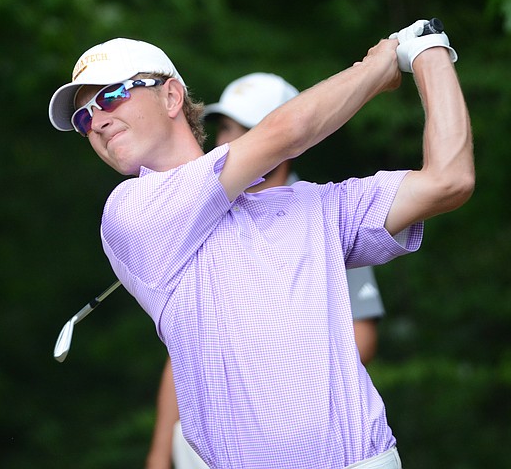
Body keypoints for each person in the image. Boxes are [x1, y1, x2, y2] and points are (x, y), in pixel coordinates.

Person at [48, 18, 472, 468]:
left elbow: (449, 180)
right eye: (82, 116)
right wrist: (377, 66)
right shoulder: (130, 212)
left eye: (111, 94)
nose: (96, 120)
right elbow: (284, 134)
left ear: (170, 96)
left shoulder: (314, 206)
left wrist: (430, 51)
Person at [145, 73, 387, 469]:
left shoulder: (322, 210)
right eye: (224, 128)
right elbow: (185, 352)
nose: (226, 142)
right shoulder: (196, 221)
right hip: (209, 443)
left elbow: (362, 338)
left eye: (247, 130)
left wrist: (263, 368)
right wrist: (158, 456)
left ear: (287, 137)